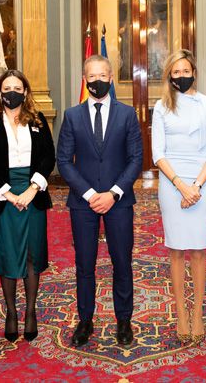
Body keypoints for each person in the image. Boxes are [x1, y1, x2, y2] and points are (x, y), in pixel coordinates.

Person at [57, 55, 144, 347]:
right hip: (83, 203)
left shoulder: (127, 114)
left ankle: (124, 320)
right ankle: (85, 320)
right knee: (84, 264)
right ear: (85, 79)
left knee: (122, 262)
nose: (97, 81)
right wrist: (90, 194)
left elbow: (136, 159)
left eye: (102, 76)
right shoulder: (71, 115)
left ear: (111, 78)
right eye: (91, 77)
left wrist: (113, 193)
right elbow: (63, 161)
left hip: (119, 202)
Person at [0, 70, 55, 343]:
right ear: (0, 93)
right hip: (3, 196)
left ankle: (30, 312)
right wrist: (8, 194)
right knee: (9, 255)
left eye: (17, 88)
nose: (12, 93)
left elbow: (48, 157)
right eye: (6, 88)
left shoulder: (38, 120)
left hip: (33, 193)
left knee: (32, 253)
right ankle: (11, 313)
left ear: (25, 92)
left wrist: (33, 189)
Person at [151, 49, 206, 345]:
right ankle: (181, 313)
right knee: (177, 249)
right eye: (176, 72)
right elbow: (158, 153)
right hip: (172, 183)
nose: (181, 76)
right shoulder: (161, 106)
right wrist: (182, 186)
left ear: (194, 72)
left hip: (203, 182)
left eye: (186, 71)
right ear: (169, 75)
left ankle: (199, 314)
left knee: (199, 250)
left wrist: (196, 186)